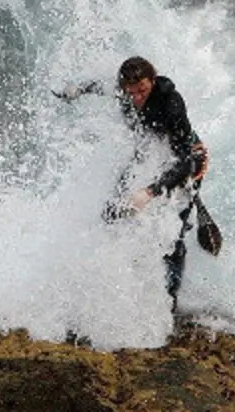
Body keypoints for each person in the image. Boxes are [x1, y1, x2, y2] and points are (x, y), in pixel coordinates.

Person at [59, 56, 209, 310]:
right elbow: (99, 86)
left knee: (173, 236)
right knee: (113, 212)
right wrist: (77, 90)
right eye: (131, 93)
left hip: (184, 163)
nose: (137, 98)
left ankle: (170, 301)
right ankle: (115, 280)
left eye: (142, 90)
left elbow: (185, 162)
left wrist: (149, 192)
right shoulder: (123, 91)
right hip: (149, 154)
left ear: (152, 80)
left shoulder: (171, 102)